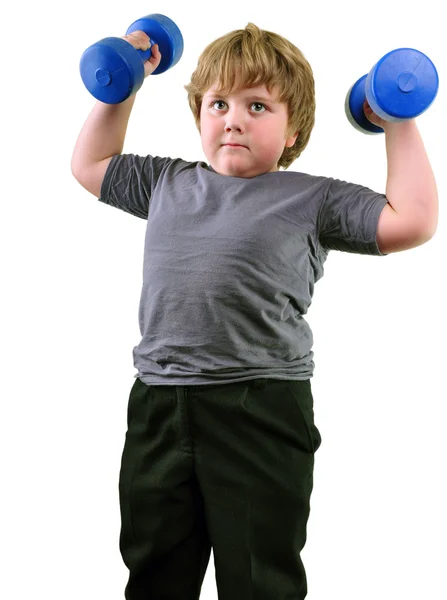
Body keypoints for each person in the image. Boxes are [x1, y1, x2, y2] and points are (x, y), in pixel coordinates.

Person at [71, 22, 438, 600]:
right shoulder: (166, 182)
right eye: (218, 103)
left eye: (258, 105)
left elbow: (410, 220)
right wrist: (129, 78)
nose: (233, 119)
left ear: (294, 131)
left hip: (260, 407)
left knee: (259, 576)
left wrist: (396, 117)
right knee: (154, 568)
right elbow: (90, 165)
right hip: (159, 404)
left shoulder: (313, 198)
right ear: (199, 117)